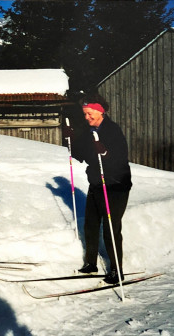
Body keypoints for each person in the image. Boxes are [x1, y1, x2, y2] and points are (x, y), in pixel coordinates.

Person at [64, 92, 132, 284]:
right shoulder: (88, 131)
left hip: (115, 185)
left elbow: (119, 158)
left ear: (100, 111)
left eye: (89, 113)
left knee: (111, 228)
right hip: (96, 184)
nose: (86, 117)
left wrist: (105, 152)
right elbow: (82, 155)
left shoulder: (112, 131)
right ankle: (91, 263)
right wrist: (70, 142)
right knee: (91, 224)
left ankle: (116, 270)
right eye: (84, 114)